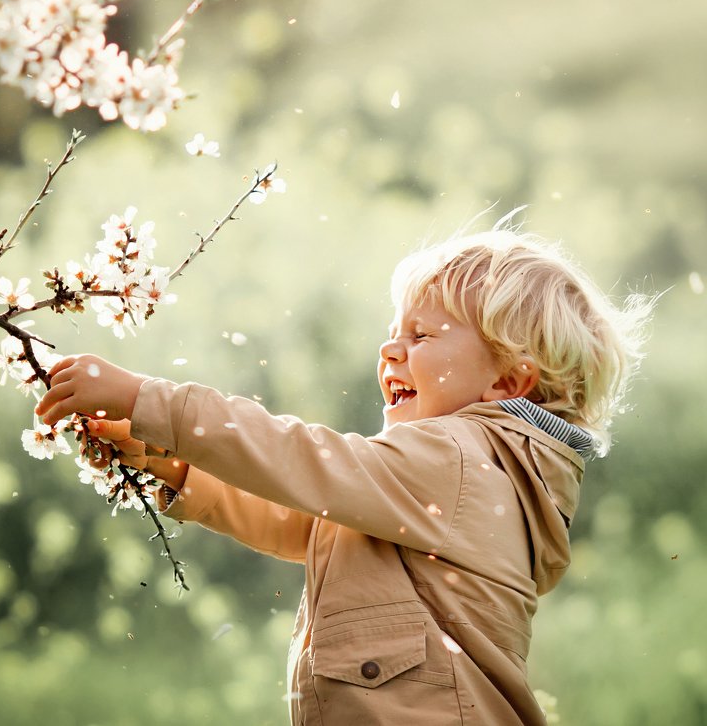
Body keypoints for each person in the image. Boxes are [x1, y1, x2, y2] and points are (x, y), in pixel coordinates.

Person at [36, 228, 653, 725]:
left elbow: (299, 461)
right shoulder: (457, 476)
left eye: (422, 335)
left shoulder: (461, 460)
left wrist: (149, 400)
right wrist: (177, 469)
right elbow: (302, 522)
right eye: (392, 334)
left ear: (508, 383)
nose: (390, 351)